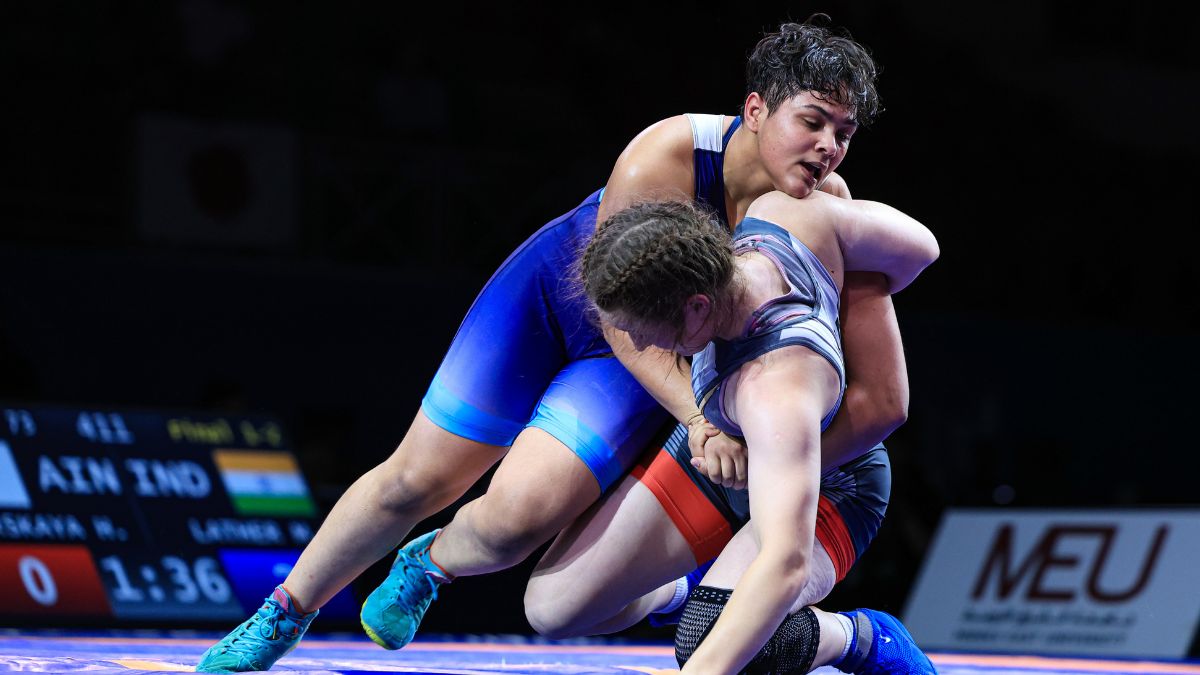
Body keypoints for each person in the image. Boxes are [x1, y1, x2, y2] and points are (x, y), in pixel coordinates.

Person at [196, 18, 905, 673]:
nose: (828, 147)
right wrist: (697, 419)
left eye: (843, 132)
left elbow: (878, 346)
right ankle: (280, 614)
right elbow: (617, 312)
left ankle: (431, 563)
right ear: (755, 110)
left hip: (651, 351)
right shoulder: (668, 153)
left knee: (515, 522)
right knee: (418, 477)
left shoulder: (824, 207)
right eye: (812, 122)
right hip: (562, 303)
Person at [570, 194, 938, 673]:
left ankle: (860, 638)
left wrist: (863, 295)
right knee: (558, 604)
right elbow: (922, 248)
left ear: (697, 306)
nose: (638, 344)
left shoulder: (775, 388)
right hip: (738, 454)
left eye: (642, 329)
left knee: (712, 639)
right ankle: (710, 580)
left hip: (831, 480)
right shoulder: (774, 215)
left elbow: (787, 564)